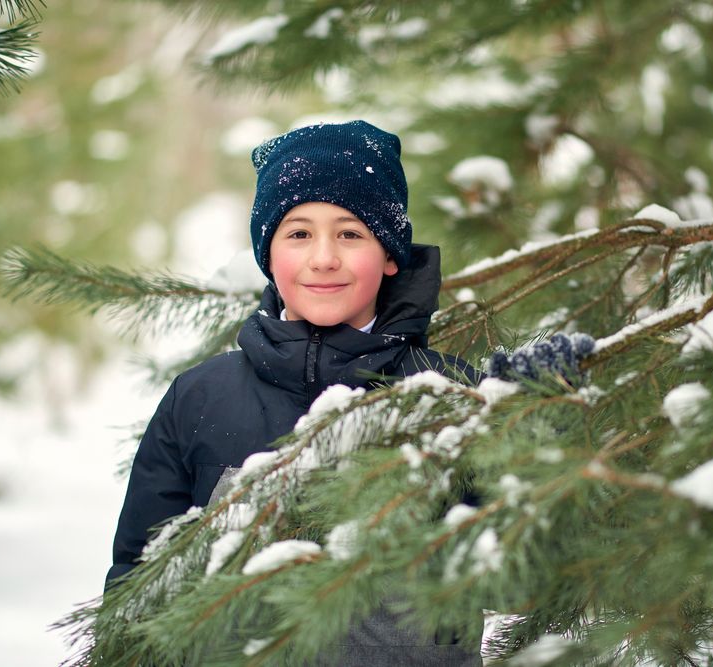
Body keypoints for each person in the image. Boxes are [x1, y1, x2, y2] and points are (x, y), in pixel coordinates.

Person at [107, 120, 481, 665]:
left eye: (351, 233)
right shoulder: (201, 397)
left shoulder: (453, 395)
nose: (324, 258)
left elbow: (526, 569)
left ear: (390, 254)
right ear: (269, 254)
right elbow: (137, 587)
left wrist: (551, 422)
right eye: (299, 233)